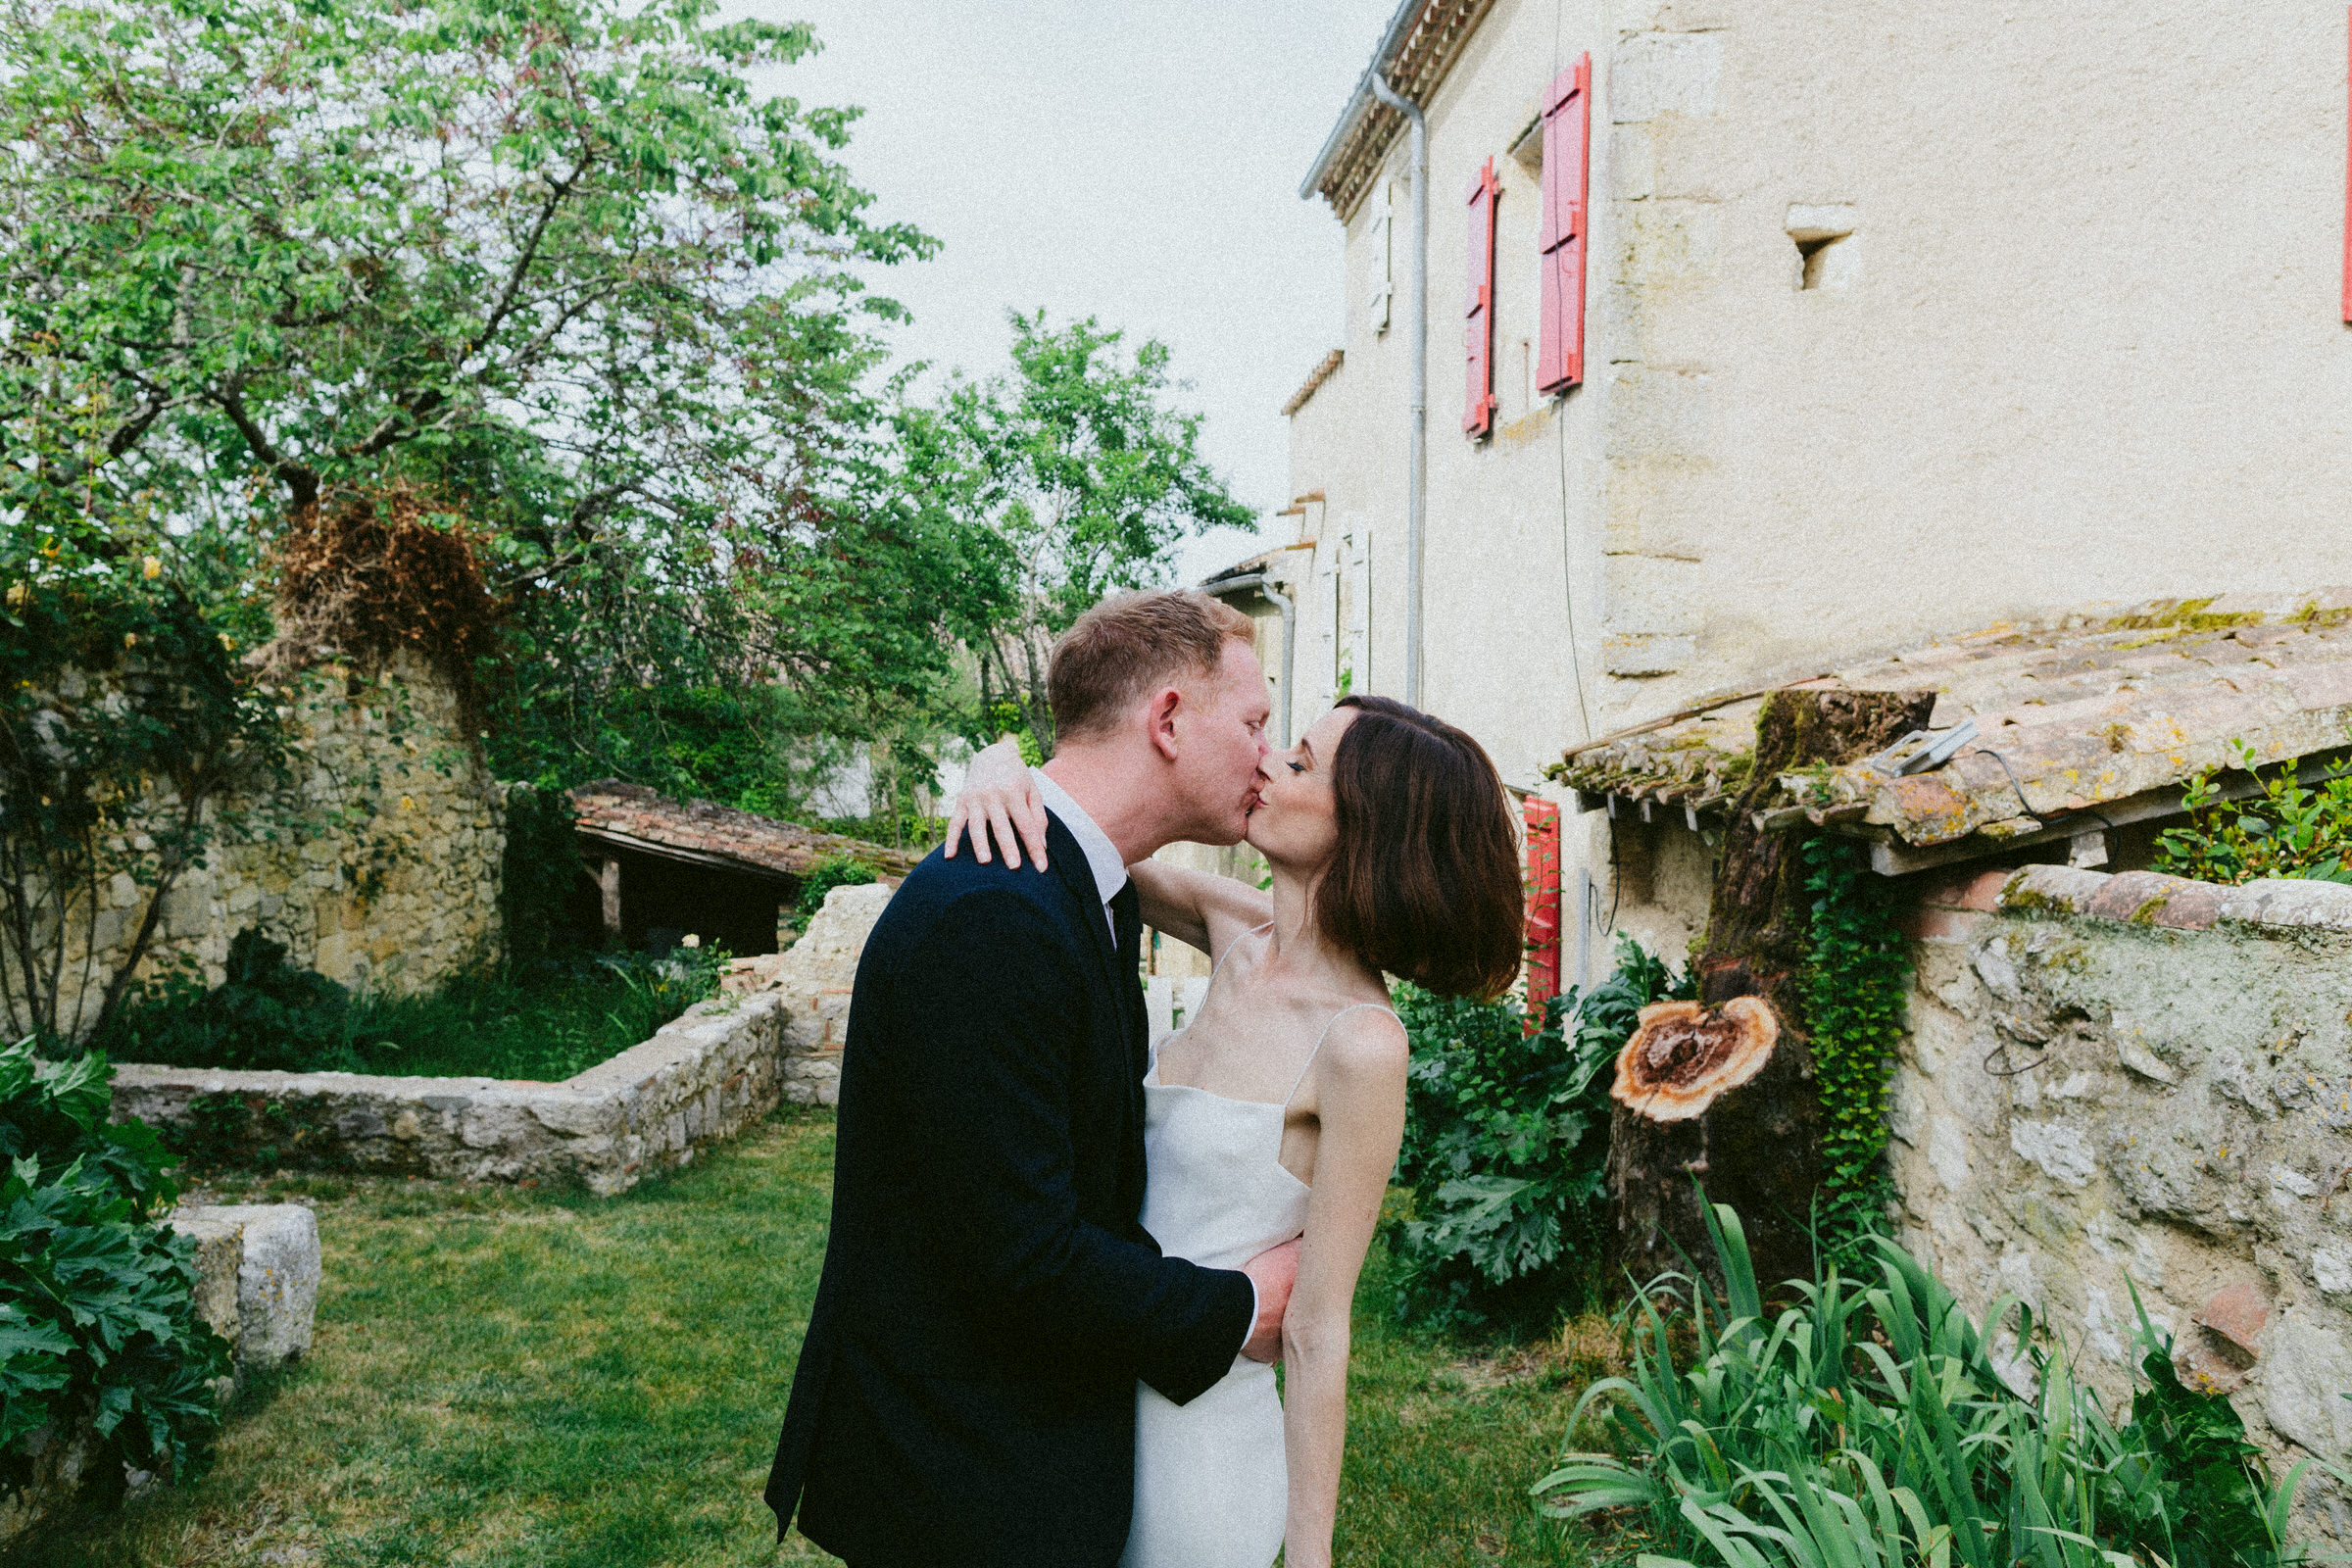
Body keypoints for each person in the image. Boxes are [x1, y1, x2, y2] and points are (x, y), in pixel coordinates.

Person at [765, 589, 1307, 1568]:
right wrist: (1239, 1308)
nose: (1267, 757)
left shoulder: (1084, 881)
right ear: (1169, 720)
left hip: (1016, 1453)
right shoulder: (995, 913)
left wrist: (997, 760)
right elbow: (1023, 1257)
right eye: (1255, 722)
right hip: (960, 1481)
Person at [945, 686, 1525, 1568]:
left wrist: (1313, 1558)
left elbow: (1318, 1329)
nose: (1266, 763)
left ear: (1368, 827)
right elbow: (1079, 839)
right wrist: (993, 768)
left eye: (1300, 762)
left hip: (1203, 1452)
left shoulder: (1362, 1043)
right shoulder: (1234, 931)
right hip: (1085, 1411)